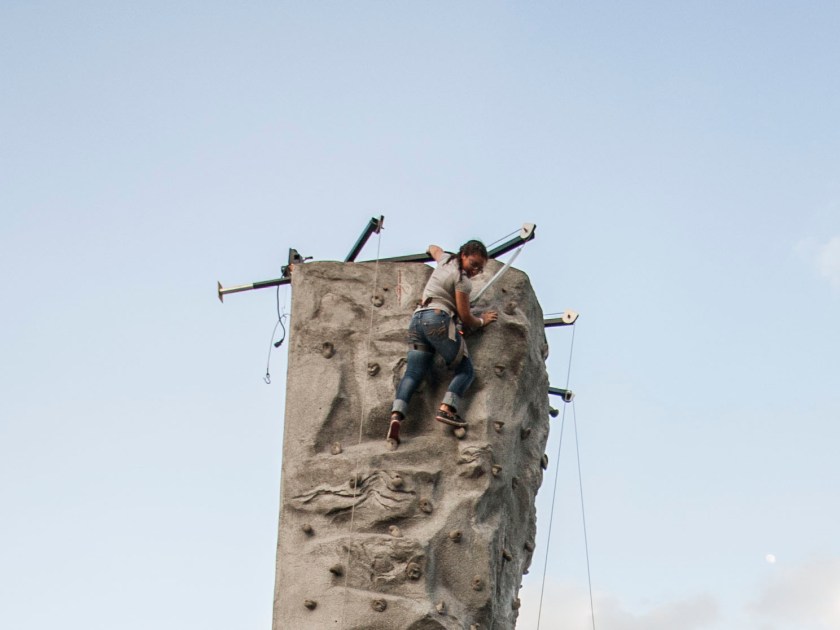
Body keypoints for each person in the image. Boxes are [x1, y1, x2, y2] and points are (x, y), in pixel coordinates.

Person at [386, 240, 498, 447]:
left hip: (417, 320)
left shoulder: (445, 260)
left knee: (413, 373)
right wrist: (482, 321)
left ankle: (396, 416)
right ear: (463, 255)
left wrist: (430, 249)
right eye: (474, 264)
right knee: (465, 370)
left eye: (480, 268)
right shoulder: (463, 281)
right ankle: (447, 409)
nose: (476, 271)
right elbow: (465, 317)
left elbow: (433, 248)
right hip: (438, 319)